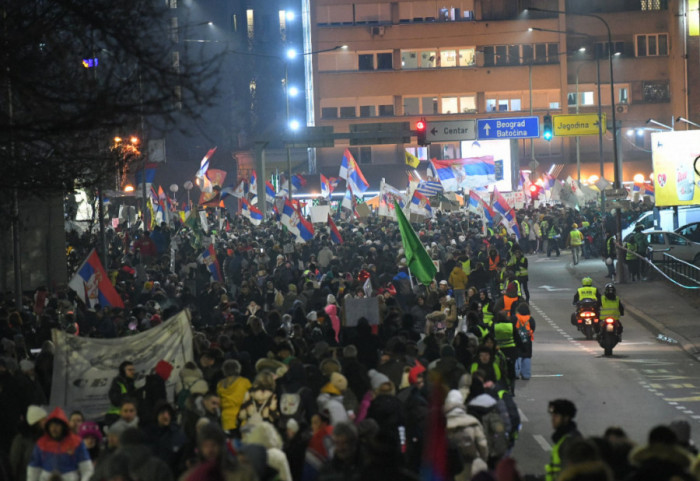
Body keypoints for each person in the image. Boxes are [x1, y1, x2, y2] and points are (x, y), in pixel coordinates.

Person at [26, 407, 94, 481]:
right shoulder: (41, 443)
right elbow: (33, 469)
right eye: (51, 425)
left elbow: (87, 469)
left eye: (57, 425)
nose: (53, 428)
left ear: (63, 426)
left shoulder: (76, 442)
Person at [545, 399, 582, 481]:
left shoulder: (569, 441)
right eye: (552, 415)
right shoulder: (563, 438)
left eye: (556, 416)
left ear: (566, 418)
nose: (553, 419)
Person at [106, 360, 137, 425]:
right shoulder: (117, 383)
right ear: (123, 371)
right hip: (115, 417)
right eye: (130, 370)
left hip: (127, 417)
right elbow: (115, 400)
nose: (133, 372)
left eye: (133, 370)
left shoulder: (132, 384)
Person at [513, 303, 535, 381]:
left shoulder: (515, 318)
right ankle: (526, 374)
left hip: (516, 340)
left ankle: (516, 373)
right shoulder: (530, 319)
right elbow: (533, 328)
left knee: (516, 357)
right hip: (527, 341)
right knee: (526, 357)